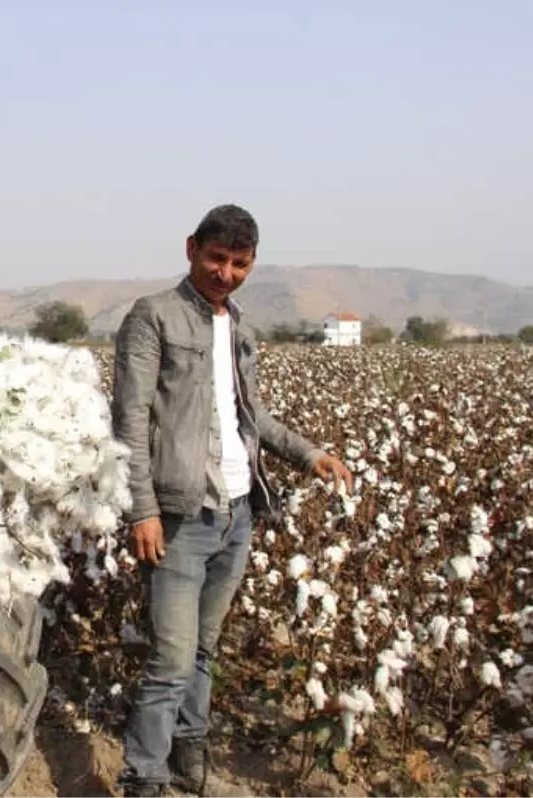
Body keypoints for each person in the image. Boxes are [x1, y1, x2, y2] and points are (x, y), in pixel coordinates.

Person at [111, 204, 353, 797]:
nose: (226, 273)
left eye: (240, 263)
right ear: (192, 248)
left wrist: (308, 453)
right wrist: (142, 510)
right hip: (180, 516)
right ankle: (144, 779)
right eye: (217, 258)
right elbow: (130, 418)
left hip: (237, 514)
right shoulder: (154, 318)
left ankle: (188, 760)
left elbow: (252, 414)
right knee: (170, 660)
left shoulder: (238, 325)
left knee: (203, 650)